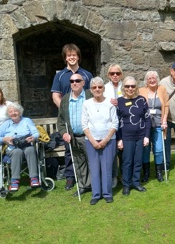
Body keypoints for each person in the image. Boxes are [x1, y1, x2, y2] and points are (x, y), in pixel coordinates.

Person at [51, 43, 93, 192]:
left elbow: (93, 95)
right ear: (65, 58)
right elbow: (56, 95)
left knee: (88, 151)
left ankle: (91, 179)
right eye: (69, 55)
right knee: (70, 151)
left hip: (85, 119)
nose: (72, 57)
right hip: (69, 117)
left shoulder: (87, 75)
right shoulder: (60, 75)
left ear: (78, 56)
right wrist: (65, 109)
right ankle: (70, 177)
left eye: (74, 54)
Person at [82, 77, 118, 205]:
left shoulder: (110, 103)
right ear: (91, 90)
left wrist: (105, 140)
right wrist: (93, 141)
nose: (97, 89)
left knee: (107, 168)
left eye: (100, 87)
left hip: (109, 141)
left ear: (103, 88)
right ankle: (96, 194)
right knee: (94, 168)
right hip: (91, 141)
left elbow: (115, 123)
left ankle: (107, 193)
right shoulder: (86, 104)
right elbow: (84, 124)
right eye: (94, 87)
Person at [0, 102, 40, 192]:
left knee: (30, 149)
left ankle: (34, 178)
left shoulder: (26, 120)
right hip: (12, 148)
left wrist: (33, 137)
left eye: (15, 111)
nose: (13, 113)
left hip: (26, 144)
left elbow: (36, 133)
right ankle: (14, 180)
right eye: (11, 111)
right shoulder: (6, 124)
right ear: (8, 114)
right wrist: (4, 139)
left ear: (20, 112)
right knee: (17, 152)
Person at [57, 73, 92, 197]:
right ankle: (84, 186)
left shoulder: (90, 95)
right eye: (72, 81)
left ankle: (97, 186)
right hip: (73, 137)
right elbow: (61, 121)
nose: (74, 83)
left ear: (83, 82)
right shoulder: (65, 99)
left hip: (89, 137)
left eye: (77, 80)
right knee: (79, 163)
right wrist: (64, 133)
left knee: (92, 162)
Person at [116, 76, 151, 196]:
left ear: (136, 87)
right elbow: (116, 121)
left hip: (140, 135)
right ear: (123, 88)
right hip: (126, 137)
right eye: (127, 86)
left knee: (138, 161)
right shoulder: (119, 101)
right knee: (127, 161)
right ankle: (126, 184)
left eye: (133, 86)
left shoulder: (142, 100)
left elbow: (147, 119)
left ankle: (136, 182)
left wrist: (147, 136)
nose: (130, 88)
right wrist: (119, 139)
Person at [139, 71, 169, 182]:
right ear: (146, 80)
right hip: (145, 125)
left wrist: (164, 120)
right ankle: (146, 173)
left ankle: (159, 172)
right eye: (149, 78)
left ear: (157, 79)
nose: (152, 80)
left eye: (154, 78)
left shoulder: (162, 89)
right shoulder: (141, 91)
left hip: (158, 124)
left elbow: (166, 106)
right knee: (145, 148)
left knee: (159, 149)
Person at [103, 64, 124, 189]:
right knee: (112, 151)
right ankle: (113, 176)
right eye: (112, 73)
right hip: (110, 124)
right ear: (108, 75)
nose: (115, 75)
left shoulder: (126, 85)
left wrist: (120, 102)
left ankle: (124, 175)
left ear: (121, 74)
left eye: (117, 73)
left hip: (124, 122)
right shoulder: (105, 88)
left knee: (124, 151)